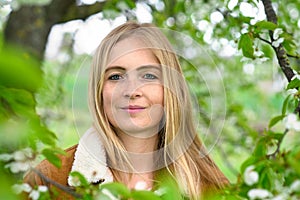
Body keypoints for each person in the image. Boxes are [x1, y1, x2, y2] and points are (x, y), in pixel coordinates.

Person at [24, 21, 229, 199]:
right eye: (115, 76)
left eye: (148, 76)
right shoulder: (50, 178)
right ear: (99, 91)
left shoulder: (209, 186)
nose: (132, 91)